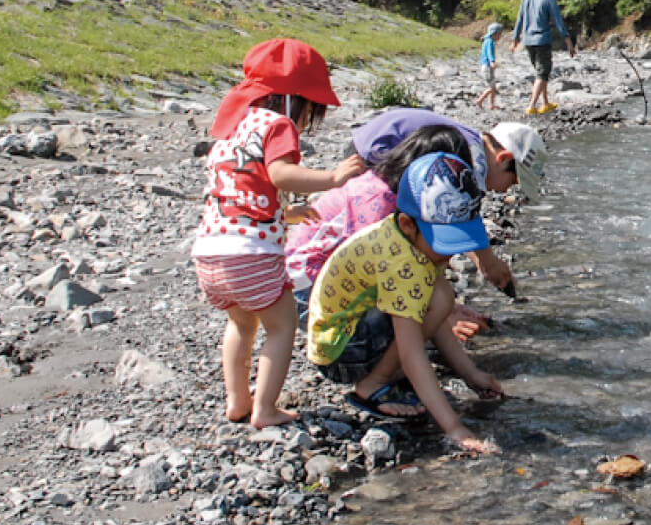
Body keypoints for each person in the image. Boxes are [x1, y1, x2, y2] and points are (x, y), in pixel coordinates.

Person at [192, 38, 366, 428]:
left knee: (240, 324)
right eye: (310, 111)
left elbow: (241, 193)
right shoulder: (278, 124)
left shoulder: (234, 127)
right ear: (293, 100)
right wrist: (333, 178)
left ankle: (237, 400)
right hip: (250, 256)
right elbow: (279, 174)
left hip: (210, 251)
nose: (307, 122)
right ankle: (266, 408)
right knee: (282, 325)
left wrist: (285, 214)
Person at [307, 151, 506, 453]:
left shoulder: (413, 242)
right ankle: (372, 385)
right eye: (445, 243)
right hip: (341, 350)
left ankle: (386, 375)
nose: (450, 255)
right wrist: (455, 428)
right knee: (436, 301)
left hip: (354, 332)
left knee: (441, 297)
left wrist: (472, 375)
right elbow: (413, 351)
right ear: (408, 224)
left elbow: (436, 319)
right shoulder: (400, 262)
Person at [287, 116, 545, 337]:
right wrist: (442, 317)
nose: (504, 190)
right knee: (407, 290)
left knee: (420, 280)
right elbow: (451, 228)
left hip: (311, 277)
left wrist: (449, 306)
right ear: (503, 158)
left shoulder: (460, 145)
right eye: (512, 181)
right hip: (308, 296)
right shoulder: (466, 165)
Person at [510, 0, 576, 115]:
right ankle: (532, 106)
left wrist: (515, 39)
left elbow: (519, 19)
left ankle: (545, 103)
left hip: (527, 41)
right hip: (542, 40)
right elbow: (558, 21)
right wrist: (568, 42)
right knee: (542, 73)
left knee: (541, 73)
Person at [473, 22, 502, 110]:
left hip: (485, 66)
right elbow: (489, 53)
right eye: (500, 34)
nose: (500, 36)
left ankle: (491, 105)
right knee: (492, 88)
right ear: (495, 33)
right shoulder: (490, 42)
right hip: (487, 67)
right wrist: (492, 61)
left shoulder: (486, 41)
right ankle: (479, 100)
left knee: (493, 86)